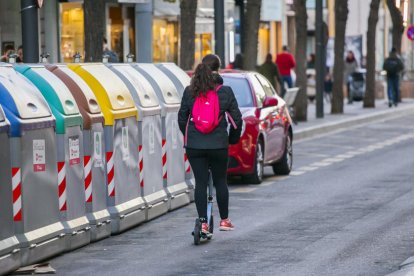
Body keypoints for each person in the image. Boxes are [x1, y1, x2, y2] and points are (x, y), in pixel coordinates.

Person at [178, 54, 242, 234]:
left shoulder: (189, 91)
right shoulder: (225, 91)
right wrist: (232, 139)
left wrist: (189, 136)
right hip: (218, 144)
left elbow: (182, 118)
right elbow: (236, 120)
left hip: (195, 145)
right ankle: (224, 220)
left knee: (200, 182)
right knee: (221, 181)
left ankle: (203, 223)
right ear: (218, 70)